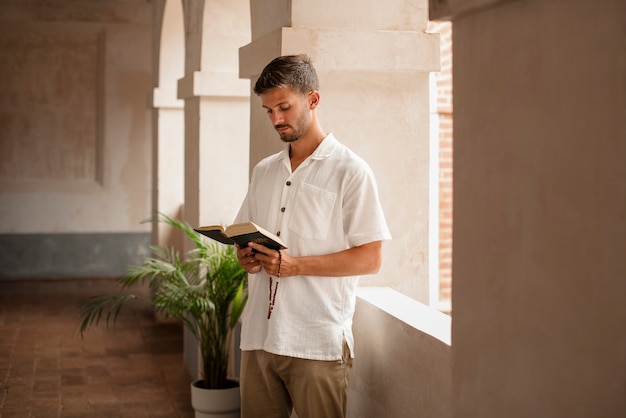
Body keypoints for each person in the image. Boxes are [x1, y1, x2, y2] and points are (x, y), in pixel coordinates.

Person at [234, 54, 391, 418]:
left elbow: (371, 258)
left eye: (284, 107)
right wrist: (245, 257)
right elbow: (245, 234)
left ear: (313, 100)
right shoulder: (264, 171)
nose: (276, 119)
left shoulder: (351, 172)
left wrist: (295, 265)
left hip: (316, 342)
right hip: (259, 337)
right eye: (268, 110)